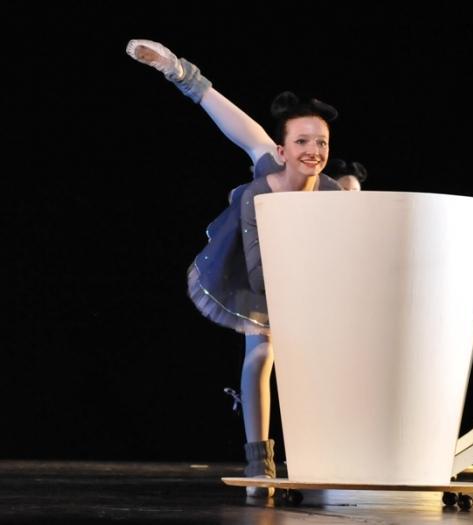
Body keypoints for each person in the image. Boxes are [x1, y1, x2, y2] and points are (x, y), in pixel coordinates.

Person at [126, 40, 341, 498]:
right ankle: (259, 462)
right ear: (283, 150)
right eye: (302, 141)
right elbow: (232, 120)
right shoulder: (264, 175)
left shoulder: (331, 195)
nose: (313, 150)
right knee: (261, 355)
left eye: (321, 142)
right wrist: (176, 70)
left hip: (312, 276)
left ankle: (332, 448)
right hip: (256, 272)